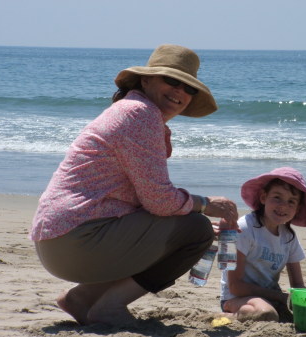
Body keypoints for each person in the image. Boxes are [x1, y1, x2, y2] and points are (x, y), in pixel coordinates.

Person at [29, 44, 239, 326]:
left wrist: (185, 216)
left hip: (60, 238)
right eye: (172, 81)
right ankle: (109, 307)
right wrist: (204, 205)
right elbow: (159, 201)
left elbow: (148, 201)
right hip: (77, 238)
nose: (180, 92)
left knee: (190, 227)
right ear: (146, 80)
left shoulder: (132, 111)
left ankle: (82, 299)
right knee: (197, 231)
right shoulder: (140, 114)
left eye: (188, 88)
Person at [220, 167, 306, 325]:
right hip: (238, 299)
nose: (283, 206)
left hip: (273, 299)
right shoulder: (244, 229)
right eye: (277, 197)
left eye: (291, 202)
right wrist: (280, 297)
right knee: (265, 314)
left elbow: (298, 285)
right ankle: (225, 317)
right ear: (263, 197)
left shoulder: (288, 237)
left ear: (298, 208)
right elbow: (235, 286)